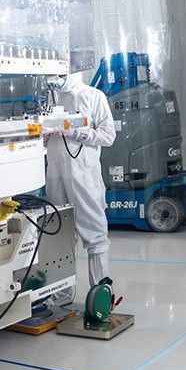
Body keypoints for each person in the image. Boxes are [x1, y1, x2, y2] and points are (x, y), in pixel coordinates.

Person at [45, 71, 116, 303]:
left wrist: (76, 132)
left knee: (95, 234)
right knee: (58, 234)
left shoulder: (94, 96)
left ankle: (101, 297)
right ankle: (60, 298)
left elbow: (108, 136)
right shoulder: (51, 98)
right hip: (55, 173)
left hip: (83, 173)